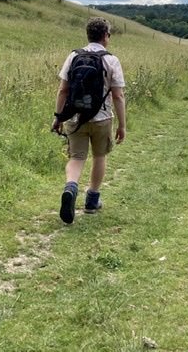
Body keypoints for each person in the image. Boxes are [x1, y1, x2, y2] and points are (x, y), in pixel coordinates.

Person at [51, 17, 126, 224]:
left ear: (88, 34)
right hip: (102, 118)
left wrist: (58, 118)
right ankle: (92, 200)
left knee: (76, 158)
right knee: (99, 156)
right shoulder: (111, 60)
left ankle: (71, 187)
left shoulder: (74, 56)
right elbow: (118, 96)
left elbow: (63, 90)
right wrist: (122, 125)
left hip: (76, 117)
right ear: (105, 36)